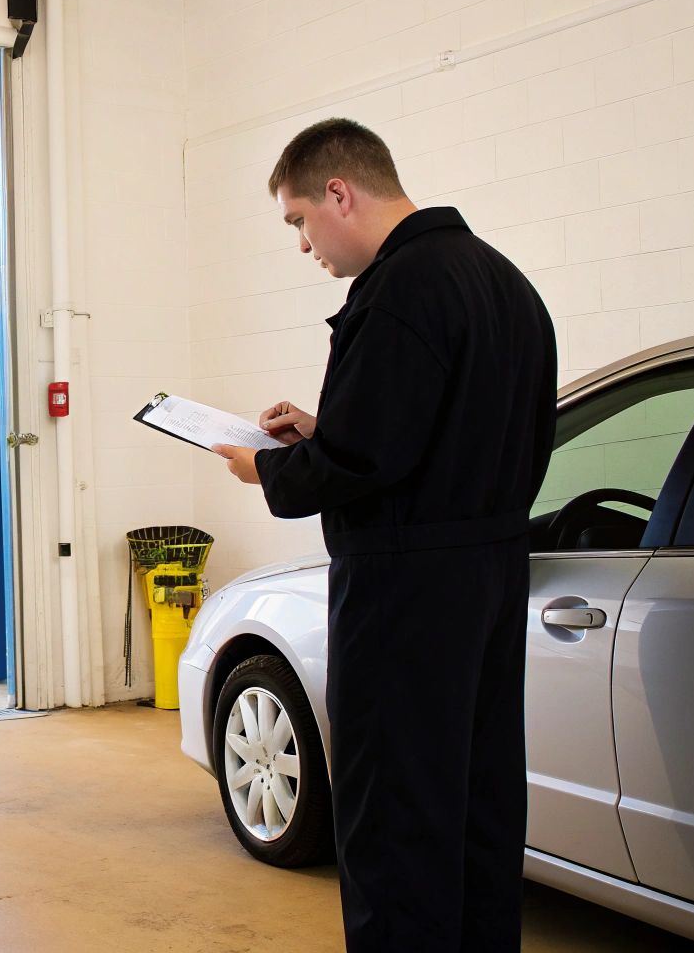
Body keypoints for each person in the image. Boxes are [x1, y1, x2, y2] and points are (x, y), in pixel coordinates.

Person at [210, 118, 557, 953]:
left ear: (340, 192)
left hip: (405, 594)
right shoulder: (502, 282)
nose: (303, 245)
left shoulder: (401, 289)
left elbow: (365, 460)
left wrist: (271, 470)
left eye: (298, 220)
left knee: (396, 818)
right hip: (487, 578)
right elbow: (433, 437)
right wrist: (328, 428)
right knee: (472, 805)